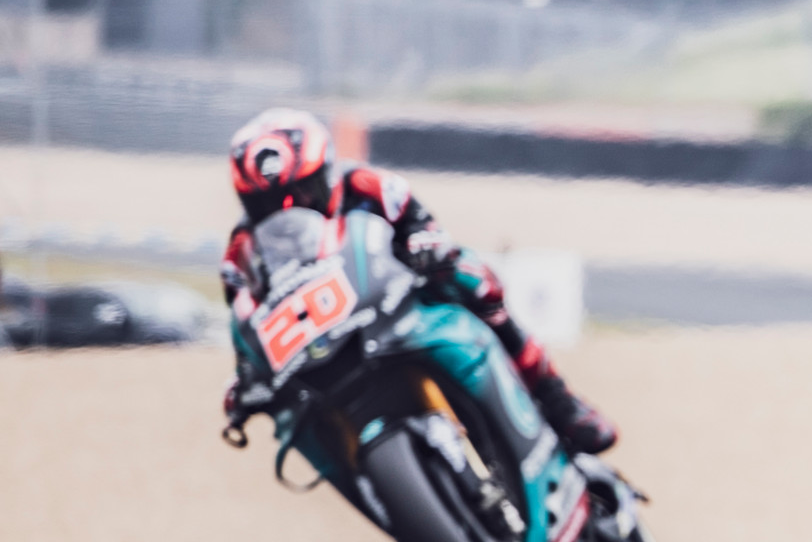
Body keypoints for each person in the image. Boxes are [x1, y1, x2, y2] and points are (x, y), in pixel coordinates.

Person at [219, 107, 616, 453]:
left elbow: (424, 225)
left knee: (473, 277)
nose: (292, 210)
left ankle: (555, 396)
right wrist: (246, 378)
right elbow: (244, 325)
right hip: (322, 343)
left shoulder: (369, 186)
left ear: (327, 172)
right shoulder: (241, 255)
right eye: (268, 205)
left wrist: (425, 245)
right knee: (288, 412)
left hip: (395, 298)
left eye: (305, 192)